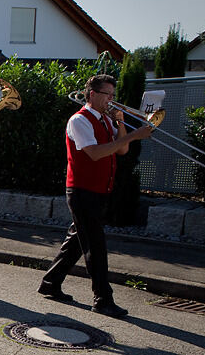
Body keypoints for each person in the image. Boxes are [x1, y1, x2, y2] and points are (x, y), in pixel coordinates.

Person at [38, 74, 152, 318]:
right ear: (92, 94)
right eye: (107, 95)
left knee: (77, 240)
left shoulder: (105, 120)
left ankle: (50, 282)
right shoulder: (79, 121)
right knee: (95, 246)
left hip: (99, 190)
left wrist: (122, 124)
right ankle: (102, 299)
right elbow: (95, 153)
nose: (111, 99)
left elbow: (121, 149)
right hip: (81, 191)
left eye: (113, 95)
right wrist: (134, 134)